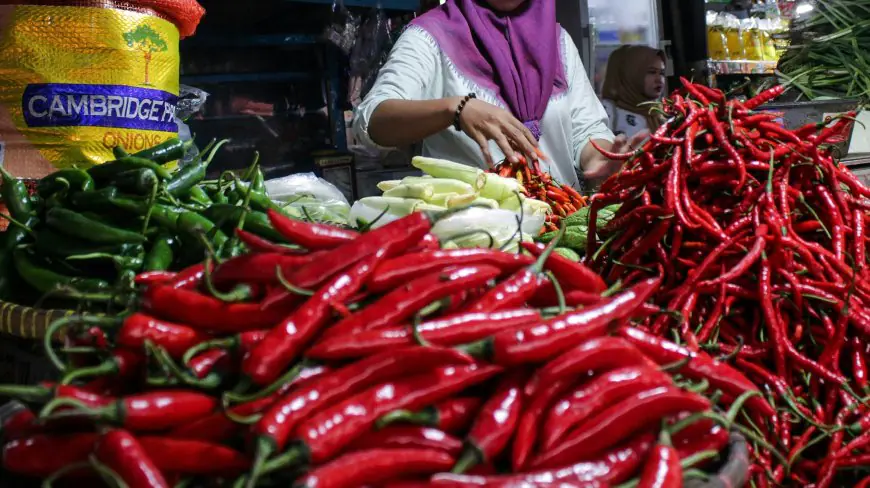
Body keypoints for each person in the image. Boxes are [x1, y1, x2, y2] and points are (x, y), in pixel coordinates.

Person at [352, 0, 647, 190]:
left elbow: (587, 129)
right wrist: (455, 109)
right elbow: (372, 120)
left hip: (559, 228)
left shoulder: (558, 41)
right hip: (473, 237)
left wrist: (600, 159)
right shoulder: (429, 36)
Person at [600, 45, 667, 139]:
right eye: (652, 72)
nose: (659, 79)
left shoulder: (660, 112)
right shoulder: (605, 113)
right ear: (630, 74)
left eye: (662, 73)